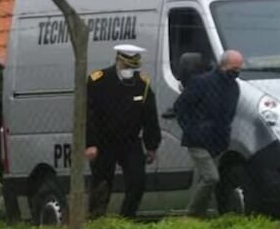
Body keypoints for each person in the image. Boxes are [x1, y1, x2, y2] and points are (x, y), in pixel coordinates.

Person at [85, 44, 162, 219]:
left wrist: (152, 145)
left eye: (133, 67)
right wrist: (90, 143)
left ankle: (127, 219)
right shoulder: (99, 81)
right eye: (127, 66)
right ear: (119, 61)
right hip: (104, 142)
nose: (130, 71)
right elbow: (88, 116)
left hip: (130, 141)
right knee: (102, 184)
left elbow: (150, 116)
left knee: (138, 181)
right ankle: (97, 220)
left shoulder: (141, 84)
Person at [175, 50, 243, 218]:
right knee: (211, 178)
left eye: (239, 67)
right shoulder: (202, 82)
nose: (238, 71)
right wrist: (191, 129)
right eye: (235, 67)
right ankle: (191, 216)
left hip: (217, 142)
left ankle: (200, 217)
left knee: (205, 180)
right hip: (198, 140)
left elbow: (229, 114)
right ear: (224, 65)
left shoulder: (233, 87)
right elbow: (181, 107)